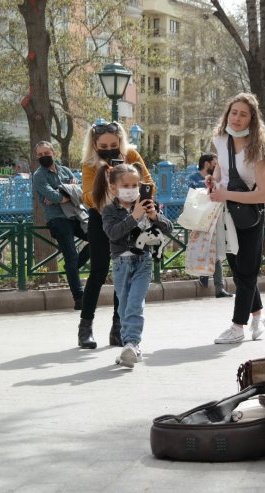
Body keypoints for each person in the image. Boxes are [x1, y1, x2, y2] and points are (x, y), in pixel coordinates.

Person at [79, 120, 156, 349]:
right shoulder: (90, 163)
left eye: (114, 143)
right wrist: (107, 184)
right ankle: (85, 328)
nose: (109, 148)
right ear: (94, 144)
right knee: (98, 271)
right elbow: (86, 197)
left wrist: (129, 183)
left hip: (130, 216)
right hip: (102, 217)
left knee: (125, 271)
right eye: (103, 145)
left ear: (121, 141)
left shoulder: (131, 155)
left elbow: (149, 184)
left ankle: (118, 328)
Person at [206, 93, 265, 344]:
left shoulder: (259, 151)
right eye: (233, 112)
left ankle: (237, 327)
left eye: (243, 114)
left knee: (246, 270)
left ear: (252, 119)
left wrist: (227, 192)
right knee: (239, 271)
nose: (236, 118)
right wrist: (213, 179)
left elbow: (264, 194)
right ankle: (258, 315)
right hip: (225, 210)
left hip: (249, 215)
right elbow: (222, 168)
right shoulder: (221, 139)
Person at [100, 163, 172, 368]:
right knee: (124, 306)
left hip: (143, 262)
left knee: (134, 303)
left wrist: (154, 216)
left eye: (135, 185)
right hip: (121, 263)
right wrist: (134, 216)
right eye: (126, 185)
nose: (131, 189)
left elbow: (168, 227)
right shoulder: (109, 211)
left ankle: (131, 343)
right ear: (114, 187)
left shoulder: (146, 204)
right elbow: (114, 233)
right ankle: (129, 348)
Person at [32, 141, 89, 309]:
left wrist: (66, 193)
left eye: (46, 153)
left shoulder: (65, 170)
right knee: (70, 254)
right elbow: (53, 196)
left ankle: (72, 268)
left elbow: (78, 194)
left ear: (53, 153)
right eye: (40, 155)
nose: (43, 157)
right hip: (57, 219)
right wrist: (67, 191)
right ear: (36, 157)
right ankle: (79, 298)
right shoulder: (38, 176)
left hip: (76, 216)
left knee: (98, 238)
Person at [189, 153, 232, 298]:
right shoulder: (194, 178)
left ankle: (219, 288)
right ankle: (203, 277)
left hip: (216, 218)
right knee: (203, 249)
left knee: (217, 252)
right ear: (207, 164)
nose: (216, 165)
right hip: (201, 219)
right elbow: (193, 198)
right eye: (214, 163)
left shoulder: (217, 179)